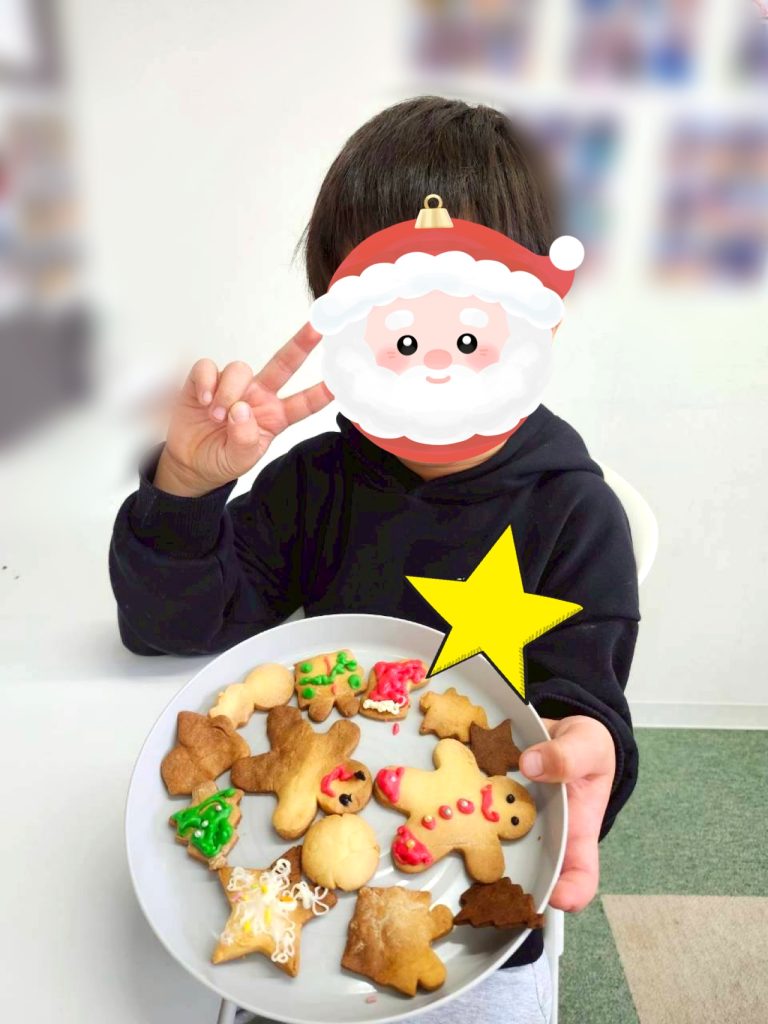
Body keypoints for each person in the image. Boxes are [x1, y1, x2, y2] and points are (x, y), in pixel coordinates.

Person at [109, 96, 639, 1024]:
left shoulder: (577, 515)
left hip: (477, 923)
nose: (430, 363)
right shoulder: (315, 482)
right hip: (306, 915)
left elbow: (583, 709)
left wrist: (591, 749)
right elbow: (171, 628)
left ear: (540, 321)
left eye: (466, 329)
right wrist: (186, 494)